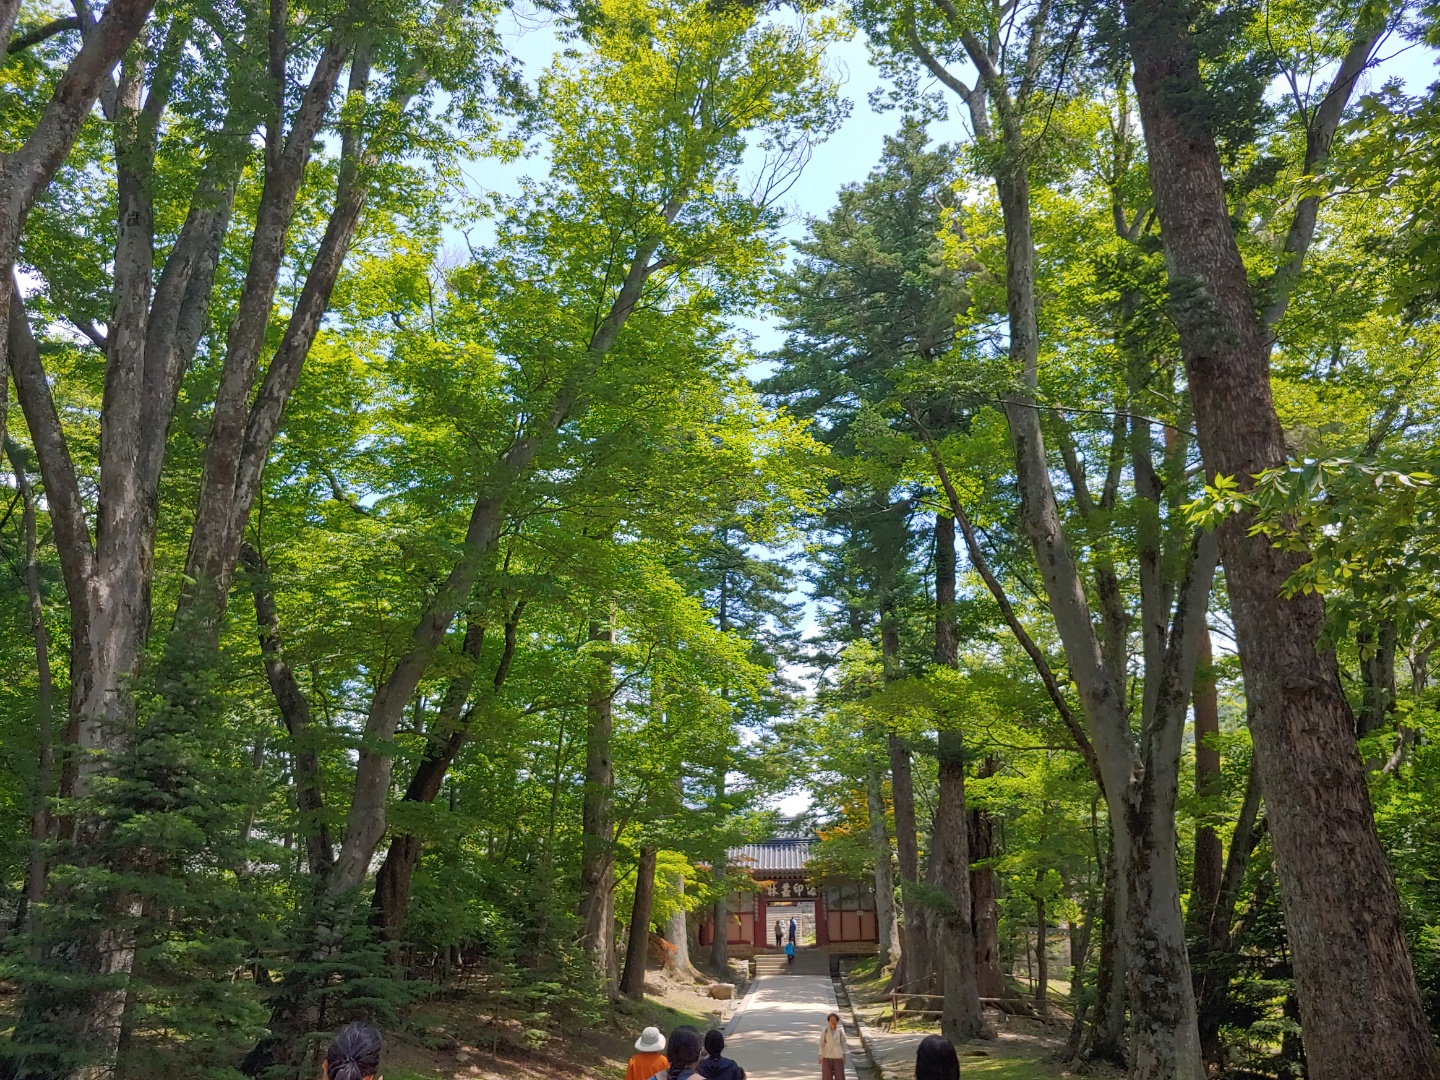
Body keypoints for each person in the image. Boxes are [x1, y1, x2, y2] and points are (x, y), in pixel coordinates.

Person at [818, 1012, 847, 1080]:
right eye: (831, 1020)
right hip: (827, 1056)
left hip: (838, 1057)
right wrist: (820, 1055)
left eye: (834, 1020)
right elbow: (821, 1043)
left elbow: (843, 1044)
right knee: (827, 1076)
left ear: (837, 1021)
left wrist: (844, 1056)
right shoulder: (825, 1031)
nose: (833, 1022)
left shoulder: (840, 1031)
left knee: (840, 1076)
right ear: (828, 1021)